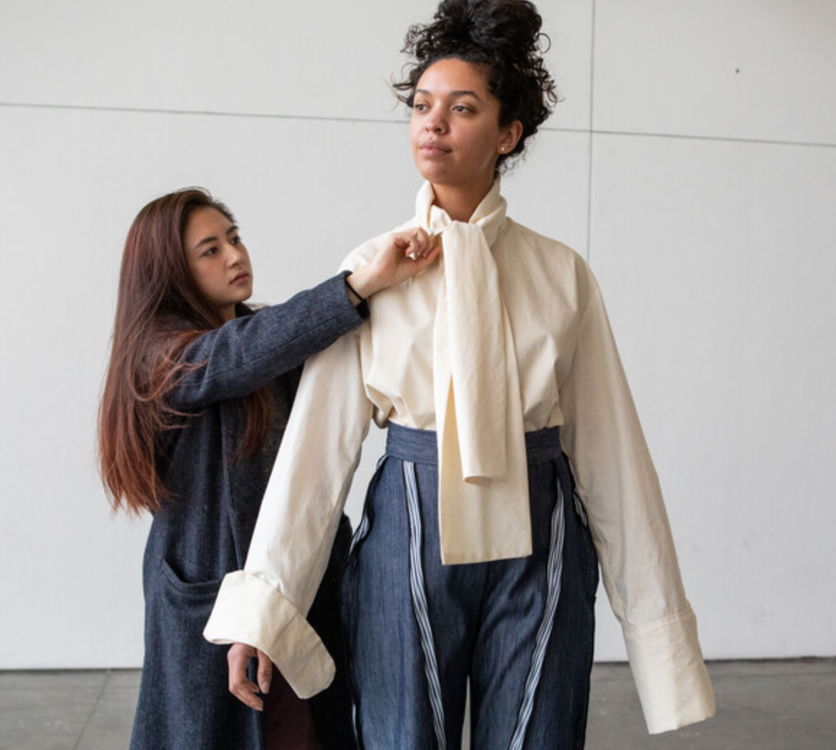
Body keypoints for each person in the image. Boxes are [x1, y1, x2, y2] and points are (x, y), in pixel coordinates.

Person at [205, 0, 717, 747]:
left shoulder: (560, 273)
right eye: (421, 105)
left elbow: (612, 457)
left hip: (542, 540)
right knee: (401, 736)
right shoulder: (373, 268)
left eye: (462, 108)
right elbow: (318, 451)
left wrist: (657, 626)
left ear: (507, 133)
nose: (432, 122)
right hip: (408, 529)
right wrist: (264, 606)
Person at [98, 187, 439, 750]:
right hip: (208, 588)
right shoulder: (161, 357)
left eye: (233, 238)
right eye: (209, 250)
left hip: (293, 580)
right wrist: (358, 284)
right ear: (170, 274)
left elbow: (277, 341)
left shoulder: (265, 333)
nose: (235, 255)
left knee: (303, 728)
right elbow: (237, 354)